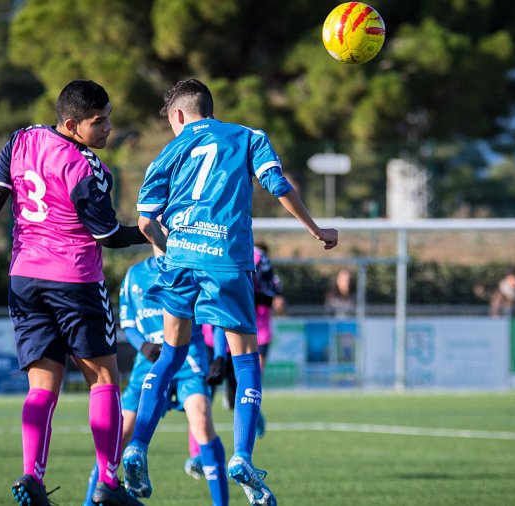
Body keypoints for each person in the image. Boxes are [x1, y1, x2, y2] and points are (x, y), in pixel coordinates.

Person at [0, 80, 152, 506]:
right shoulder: (85, 167)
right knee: (104, 378)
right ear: (72, 124)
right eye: (98, 122)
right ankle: (108, 483)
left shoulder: (21, 140)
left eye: (108, 118)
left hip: (24, 280)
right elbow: (107, 235)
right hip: (73, 280)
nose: (108, 128)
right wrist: (148, 232)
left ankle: (32, 476)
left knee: (42, 384)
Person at [124, 78, 338, 506]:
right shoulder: (248, 137)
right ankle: (242, 456)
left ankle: (136, 446)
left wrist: (176, 253)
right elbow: (278, 186)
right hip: (228, 261)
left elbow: (146, 223)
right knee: (246, 362)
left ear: (179, 115)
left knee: (170, 353)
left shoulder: (170, 150)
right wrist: (317, 230)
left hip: (180, 259)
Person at [83, 241, 228, 506]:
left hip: (189, 363)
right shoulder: (135, 276)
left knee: (202, 423)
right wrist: (145, 346)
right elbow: (129, 324)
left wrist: (219, 356)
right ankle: (90, 501)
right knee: (119, 435)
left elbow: (215, 319)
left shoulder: (193, 269)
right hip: (148, 366)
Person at [206, 243, 284, 437]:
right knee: (204, 395)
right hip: (216, 334)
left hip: (254, 332)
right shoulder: (214, 251)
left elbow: (274, 299)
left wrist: (262, 298)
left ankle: (253, 418)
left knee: (244, 389)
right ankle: (200, 451)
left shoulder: (260, 260)